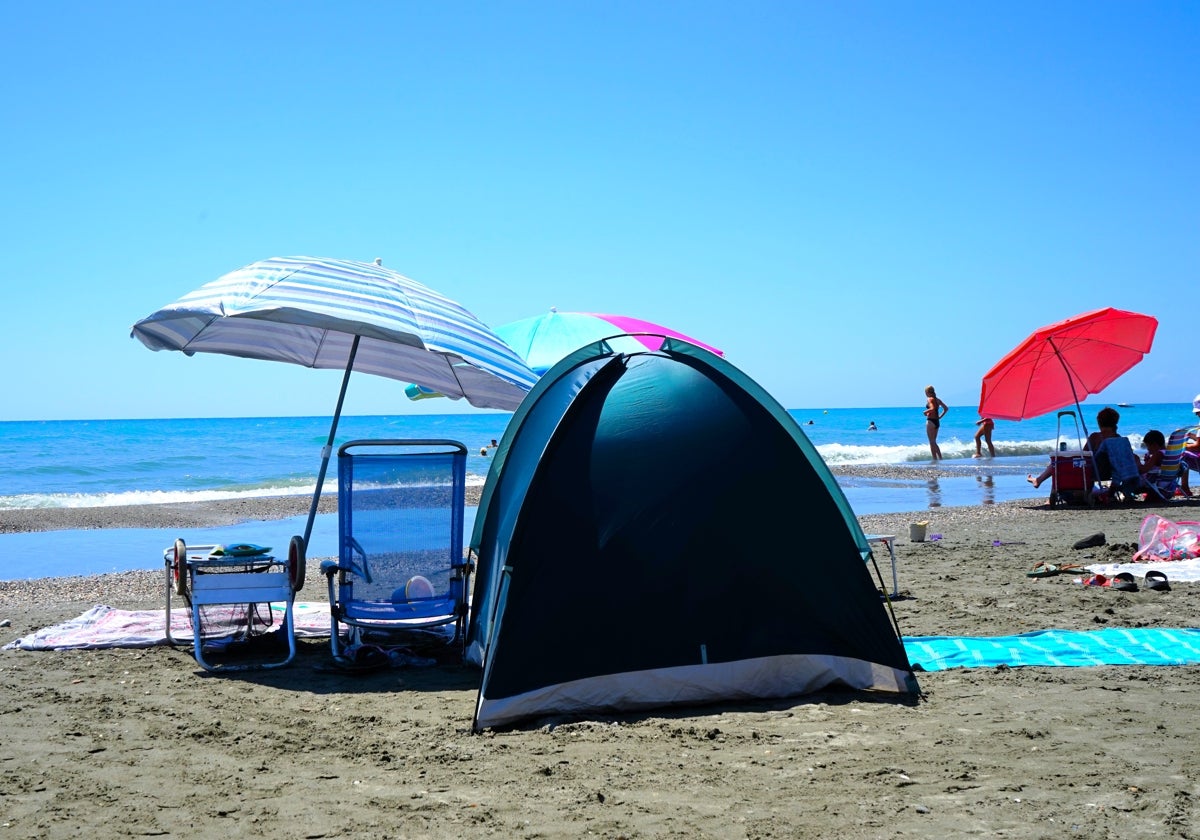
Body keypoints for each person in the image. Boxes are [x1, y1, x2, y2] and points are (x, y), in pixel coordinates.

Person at [923, 385, 948, 460]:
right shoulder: (938, 400)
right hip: (937, 422)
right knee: (933, 441)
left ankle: (936, 458)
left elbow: (932, 408)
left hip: (930, 421)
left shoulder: (930, 399)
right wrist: (940, 417)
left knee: (932, 442)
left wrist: (925, 412)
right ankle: (939, 458)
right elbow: (946, 408)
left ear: (927, 392)